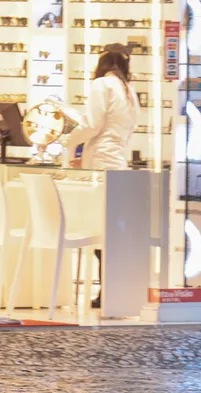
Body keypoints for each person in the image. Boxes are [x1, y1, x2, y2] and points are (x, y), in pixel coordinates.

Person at [64, 43, 139, 309]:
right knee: (111, 231)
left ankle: (104, 291)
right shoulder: (129, 91)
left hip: (100, 166)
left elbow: (92, 124)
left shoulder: (101, 86)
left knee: (99, 231)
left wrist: (67, 141)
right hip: (118, 163)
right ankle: (110, 290)